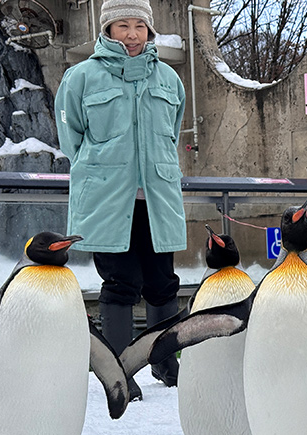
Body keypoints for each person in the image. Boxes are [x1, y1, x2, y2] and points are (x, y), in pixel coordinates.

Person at [55, 0, 186, 400]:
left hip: (157, 198)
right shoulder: (81, 77)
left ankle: (164, 360)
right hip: (108, 199)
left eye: (139, 26)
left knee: (163, 283)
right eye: (122, 25)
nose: (132, 34)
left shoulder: (168, 78)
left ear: (150, 30)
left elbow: (173, 131)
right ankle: (119, 370)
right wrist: (100, 168)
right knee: (120, 282)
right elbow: (70, 134)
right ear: (107, 30)